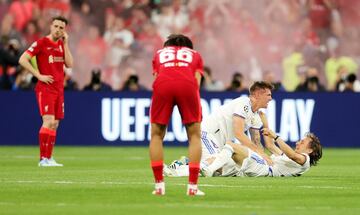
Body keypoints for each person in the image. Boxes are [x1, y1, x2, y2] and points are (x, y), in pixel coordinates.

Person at [164, 81, 274, 177]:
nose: (271, 98)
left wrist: (262, 160)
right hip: (207, 134)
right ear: (258, 95)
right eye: (268, 95)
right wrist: (261, 155)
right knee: (215, 164)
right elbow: (239, 134)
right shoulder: (244, 103)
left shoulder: (257, 116)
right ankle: (177, 171)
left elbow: (256, 142)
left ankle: (184, 163)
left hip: (220, 143)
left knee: (225, 167)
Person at [149, 34, 204, 196]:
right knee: (194, 136)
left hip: (163, 85)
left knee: (156, 136)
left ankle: (159, 186)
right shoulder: (195, 55)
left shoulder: (160, 53)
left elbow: (156, 76)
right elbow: (197, 82)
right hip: (187, 85)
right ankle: (192, 188)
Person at [18, 16, 73, 167]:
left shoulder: (62, 44)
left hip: (59, 89)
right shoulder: (42, 43)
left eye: (61, 28)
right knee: (48, 121)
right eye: (56, 26)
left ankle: (49, 158)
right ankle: (43, 159)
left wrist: (66, 43)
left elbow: (69, 64)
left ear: (64, 30)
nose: (58, 30)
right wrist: (38, 75)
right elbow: (23, 59)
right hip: (46, 88)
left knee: (55, 124)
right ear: (51, 26)